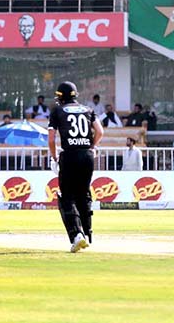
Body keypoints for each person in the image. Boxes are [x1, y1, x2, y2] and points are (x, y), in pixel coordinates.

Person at [47, 81, 104, 253]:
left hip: (69, 155)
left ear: (61, 96)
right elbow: (100, 132)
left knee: (67, 197)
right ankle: (87, 233)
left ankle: (77, 235)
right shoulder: (88, 109)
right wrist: (91, 147)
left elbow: (51, 139)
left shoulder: (57, 111)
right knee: (84, 194)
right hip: (87, 155)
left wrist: (55, 157)